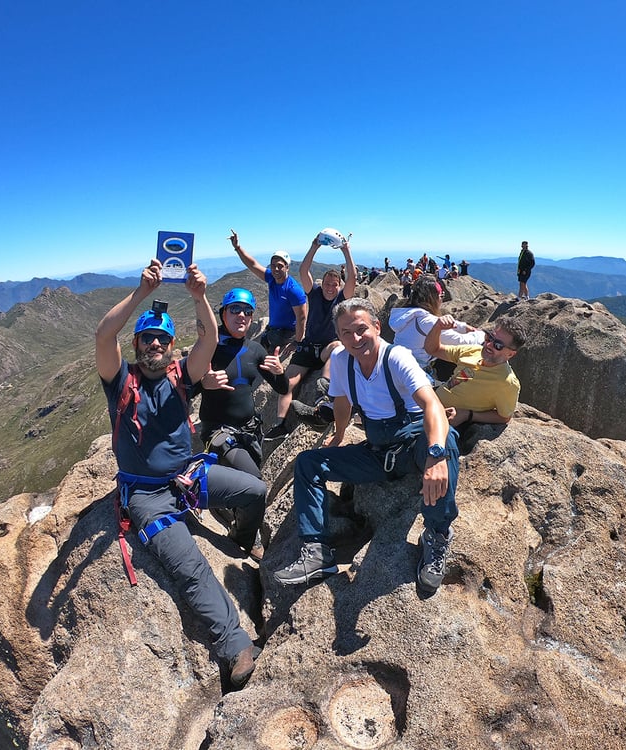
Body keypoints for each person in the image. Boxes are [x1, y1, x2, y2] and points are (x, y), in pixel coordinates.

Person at [96, 259, 264, 690]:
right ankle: (234, 646)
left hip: (187, 477)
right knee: (188, 566)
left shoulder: (182, 376)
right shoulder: (120, 380)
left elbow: (209, 337)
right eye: (148, 339)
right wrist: (139, 293)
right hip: (148, 497)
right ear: (137, 345)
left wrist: (199, 295)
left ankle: (242, 540)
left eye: (162, 339)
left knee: (254, 490)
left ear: (172, 345)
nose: (155, 344)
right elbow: (103, 335)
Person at [273, 298, 460, 593]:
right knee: (308, 463)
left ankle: (436, 534)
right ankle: (316, 551)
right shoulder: (341, 361)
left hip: (412, 444)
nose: (355, 338)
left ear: (377, 326)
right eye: (346, 332)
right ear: (338, 336)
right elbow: (344, 401)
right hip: (377, 453)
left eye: (361, 329)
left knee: (444, 440)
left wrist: (435, 456)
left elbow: (432, 406)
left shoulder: (396, 358)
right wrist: (338, 434)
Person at [197, 287, 289, 557]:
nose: (242, 315)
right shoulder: (208, 351)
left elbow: (282, 388)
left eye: (247, 311)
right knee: (255, 484)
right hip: (219, 433)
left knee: (244, 480)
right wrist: (203, 383)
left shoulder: (255, 350)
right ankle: (244, 537)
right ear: (222, 314)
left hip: (250, 432)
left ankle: (229, 509)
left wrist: (280, 373)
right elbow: (185, 389)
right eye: (234, 309)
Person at [266, 235, 357, 439]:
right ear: (321, 283)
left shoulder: (342, 298)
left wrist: (346, 251)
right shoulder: (314, 293)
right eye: (327, 283)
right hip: (308, 348)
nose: (330, 287)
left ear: (339, 286)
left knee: (337, 348)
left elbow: (353, 278)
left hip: (326, 348)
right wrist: (314, 246)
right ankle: (280, 424)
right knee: (287, 383)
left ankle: (323, 389)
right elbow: (303, 271)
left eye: (334, 284)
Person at [424, 316, 526, 429]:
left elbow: (504, 417)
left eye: (498, 345)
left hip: (444, 422)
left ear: (510, 354)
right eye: (489, 337)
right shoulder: (473, 351)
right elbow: (433, 349)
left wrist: (468, 415)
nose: (488, 345)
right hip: (429, 403)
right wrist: (437, 327)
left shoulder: (507, 383)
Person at [389, 274, 483, 383]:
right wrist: (482, 335)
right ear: (432, 299)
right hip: (412, 373)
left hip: (398, 367)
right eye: (441, 296)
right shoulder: (427, 322)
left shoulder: (408, 314)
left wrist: (464, 327)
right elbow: (461, 342)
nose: (441, 300)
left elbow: (449, 324)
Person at [228, 230, 308, 354]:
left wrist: (297, 342)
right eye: (273, 265)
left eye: (280, 266)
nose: (276, 269)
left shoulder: (293, 290)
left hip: (285, 333)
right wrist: (238, 248)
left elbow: (301, 318)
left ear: (287, 267)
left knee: (259, 358)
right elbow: (253, 264)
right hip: (273, 329)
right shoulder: (272, 278)